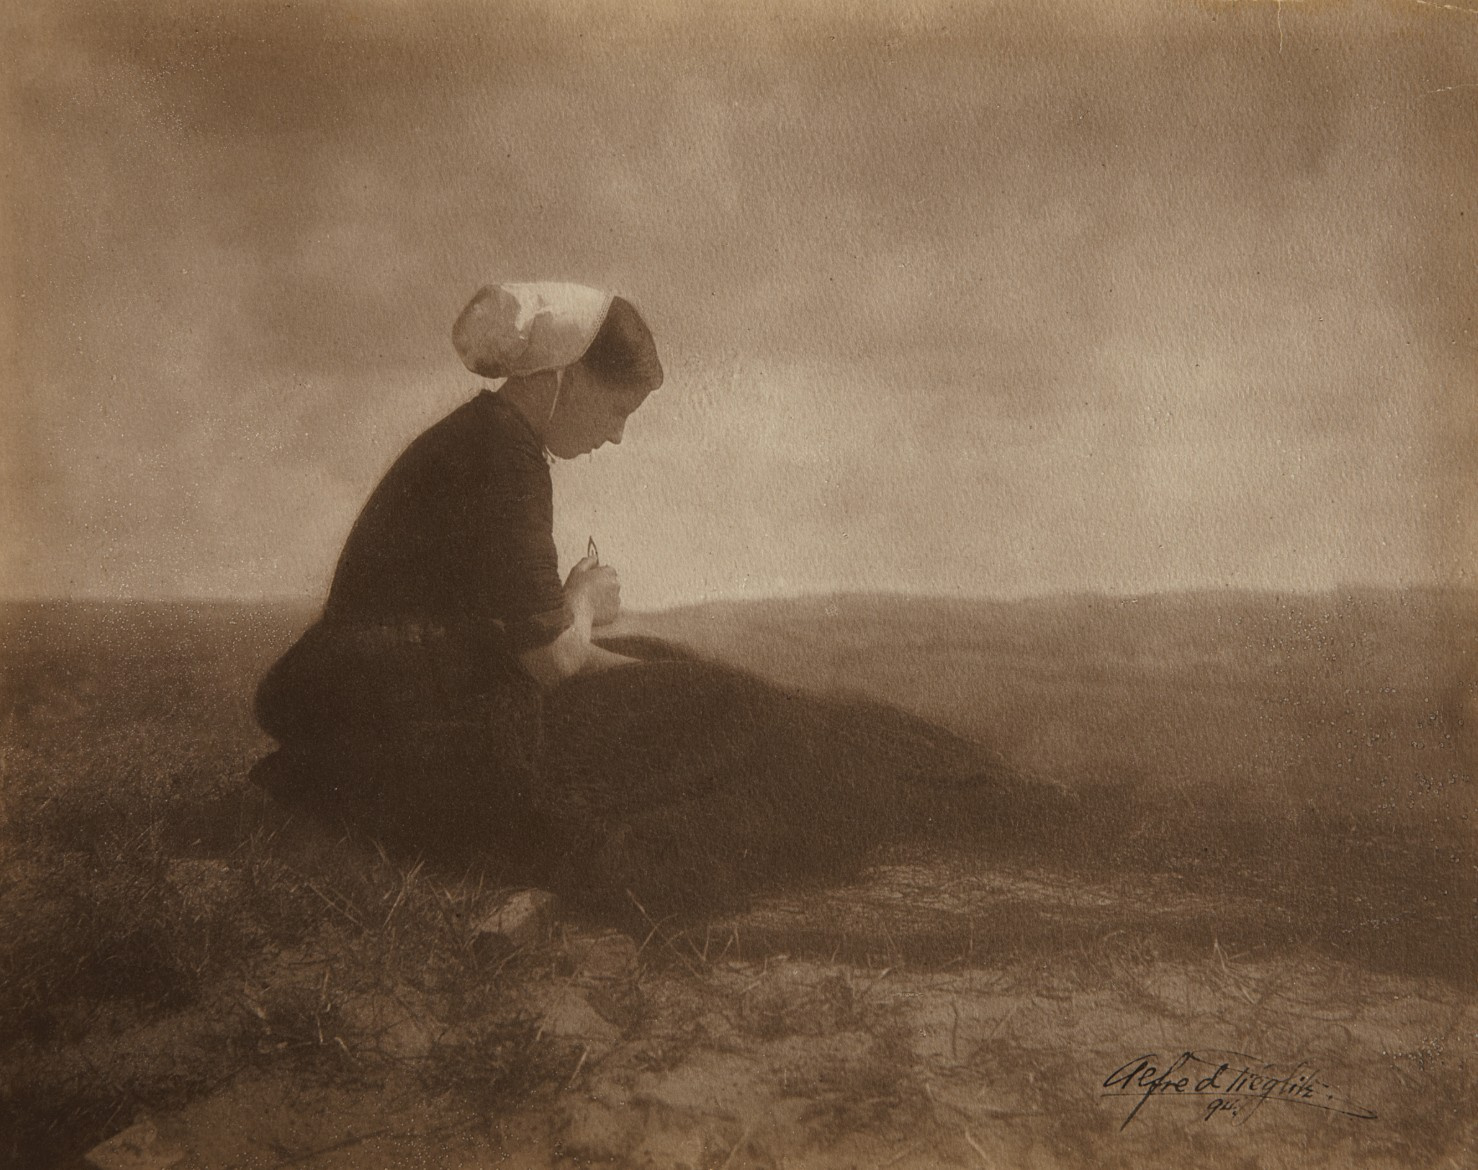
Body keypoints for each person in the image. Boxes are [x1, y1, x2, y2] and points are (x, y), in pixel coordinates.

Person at [252, 282, 1057, 918]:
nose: (616, 436)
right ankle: (960, 800)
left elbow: (510, 626)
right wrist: (589, 606)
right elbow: (556, 663)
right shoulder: (504, 458)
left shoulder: (482, 440)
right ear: (563, 381)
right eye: (618, 409)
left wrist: (574, 603)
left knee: (681, 674)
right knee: (728, 711)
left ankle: (942, 789)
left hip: (411, 702)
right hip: (420, 727)